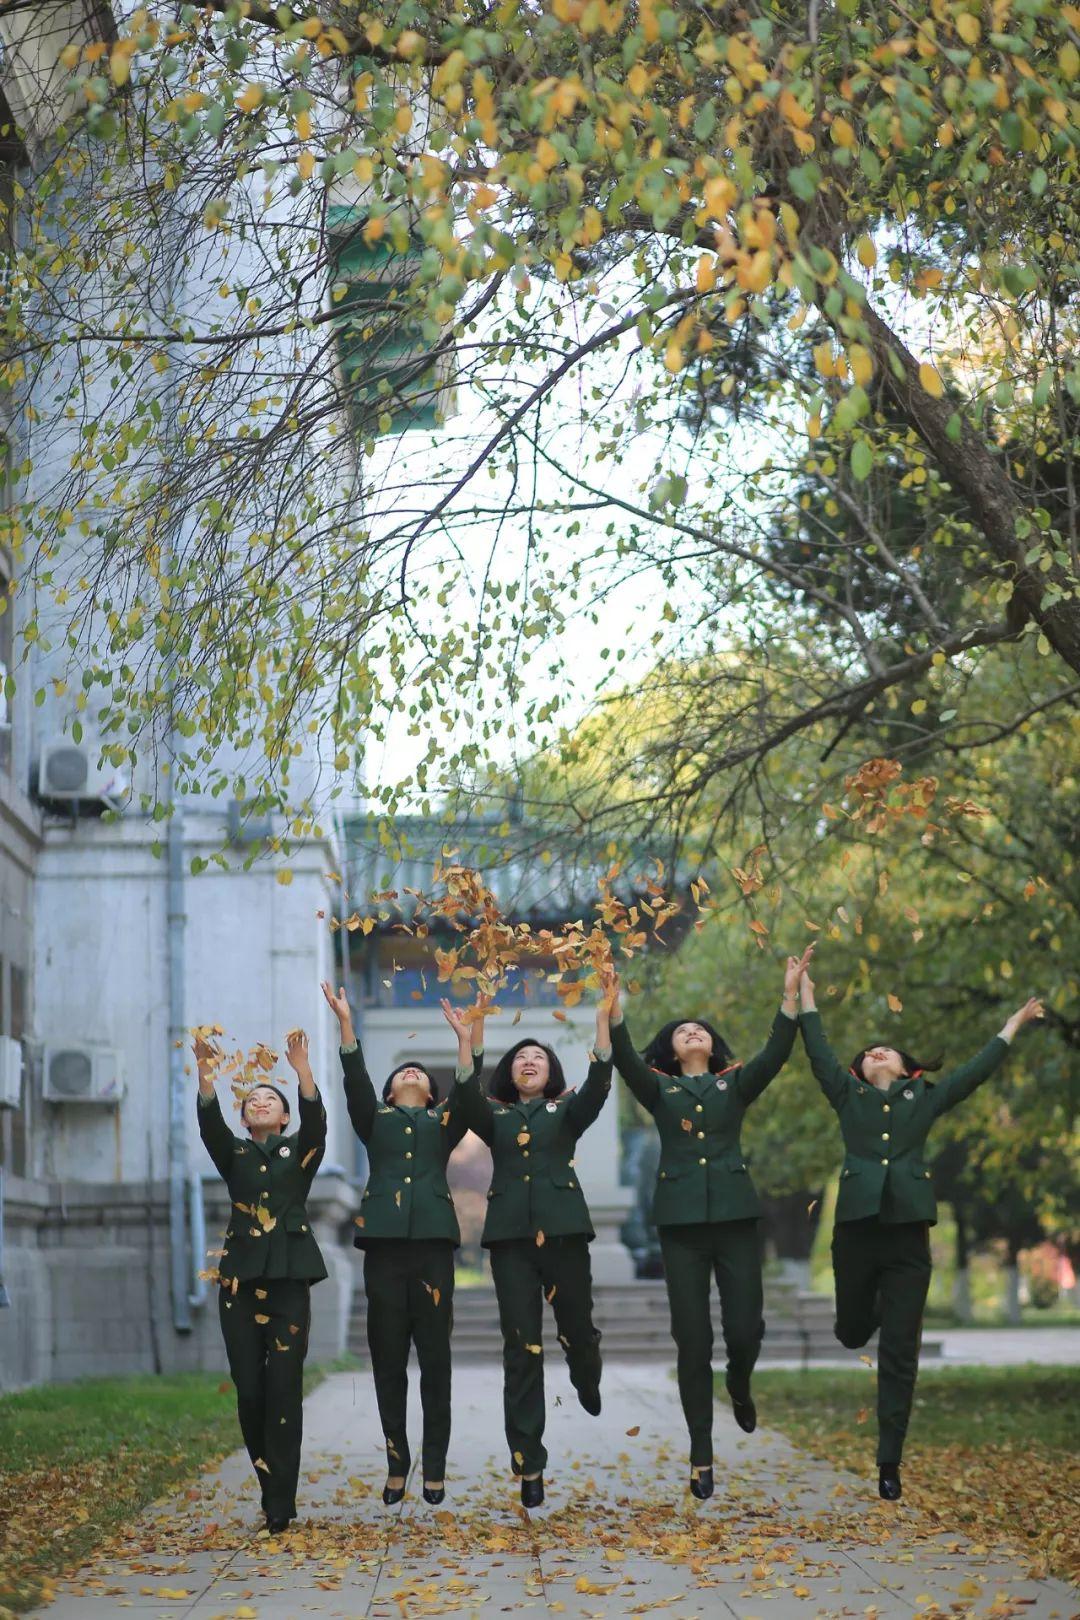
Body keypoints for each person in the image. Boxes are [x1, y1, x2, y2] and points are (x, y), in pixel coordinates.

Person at [797, 964, 1044, 1500]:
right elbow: (818, 1053)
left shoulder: (925, 1098)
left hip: (909, 1238)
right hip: (858, 1234)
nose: (875, 1051)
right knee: (851, 1332)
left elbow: (974, 1072)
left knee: (901, 1352)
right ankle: (871, 1314)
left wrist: (1012, 1024)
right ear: (859, 1072)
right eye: (867, 1052)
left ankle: (889, 1462)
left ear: (907, 1067)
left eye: (885, 1048)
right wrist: (807, 997)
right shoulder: (848, 1095)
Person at [606, 948, 812, 1500]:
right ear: (671, 1050)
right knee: (691, 1340)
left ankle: (739, 1385)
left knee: (746, 1328)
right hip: (680, 1228)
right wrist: (612, 1005)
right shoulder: (660, 1088)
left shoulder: (735, 1083)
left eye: (701, 1030)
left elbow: (776, 1052)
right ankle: (701, 1453)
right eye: (682, 1031)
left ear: (712, 1045)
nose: (693, 1033)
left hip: (736, 1221)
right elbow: (625, 1059)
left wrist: (789, 995)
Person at [321, 981, 484, 1506]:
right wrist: (347, 1024)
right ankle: (398, 1460)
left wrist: (466, 1040)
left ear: (432, 1095)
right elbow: (353, 1082)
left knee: (435, 1361)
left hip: (435, 1249)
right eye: (401, 1073)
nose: (410, 1073)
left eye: (418, 1072)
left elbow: (468, 1091)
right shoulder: (376, 1121)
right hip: (384, 1250)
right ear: (390, 1093)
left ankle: (434, 1464)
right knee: (388, 1360)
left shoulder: (444, 1123)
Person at [452, 987, 614, 1508]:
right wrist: (469, 1038)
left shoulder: (566, 1111)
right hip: (511, 1242)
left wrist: (604, 1022)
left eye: (538, 1057)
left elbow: (600, 1081)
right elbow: (465, 1093)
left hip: (565, 1235)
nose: (528, 1062)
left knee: (576, 1332)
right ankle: (529, 1463)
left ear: (551, 1073)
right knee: (521, 1349)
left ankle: (587, 1379)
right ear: (508, 1071)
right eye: (520, 1057)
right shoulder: (493, 1116)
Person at [194, 1028, 327, 1535]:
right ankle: (267, 1479)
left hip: (292, 1278)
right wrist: (206, 1072)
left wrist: (302, 1073)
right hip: (240, 1283)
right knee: (250, 1390)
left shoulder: (300, 1154)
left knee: (284, 1387)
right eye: (253, 1100)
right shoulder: (236, 1156)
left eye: (271, 1099)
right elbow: (210, 1128)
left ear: (285, 1114)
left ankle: (279, 1501)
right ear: (245, 1117)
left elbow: (317, 1127)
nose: (262, 1103)